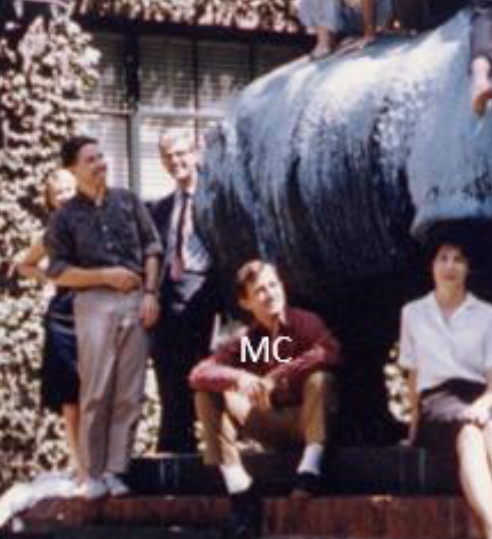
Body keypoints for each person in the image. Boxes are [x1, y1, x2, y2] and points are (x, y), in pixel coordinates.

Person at [398, 240, 492, 539]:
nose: (450, 266)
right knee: (469, 434)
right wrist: (413, 426)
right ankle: (491, 524)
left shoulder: (488, 315)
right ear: (432, 266)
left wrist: (484, 404)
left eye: (459, 260)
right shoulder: (412, 313)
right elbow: (413, 375)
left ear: (468, 268)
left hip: (482, 394)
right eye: (443, 258)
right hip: (437, 399)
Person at [45, 135, 163, 500]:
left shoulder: (128, 201)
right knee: (96, 390)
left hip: (135, 300)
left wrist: (151, 293)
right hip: (93, 303)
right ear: (72, 168)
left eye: (100, 156)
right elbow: (58, 271)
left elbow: (152, 248)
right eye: (90, 159)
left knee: (130, 392)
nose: (100, 164)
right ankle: (92, 473)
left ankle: (115, 470)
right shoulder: (64, 217)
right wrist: (104, 276)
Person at [190, 260, 341, 499]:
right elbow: (199, 374)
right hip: (267, 418)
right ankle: (238, 485)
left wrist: (276, 378)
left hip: (306, 419)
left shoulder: (305, 322)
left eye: (274, 285)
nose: (270, 294)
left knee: (321, 379)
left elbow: (329, 352)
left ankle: (309, 472)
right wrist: (239, 377)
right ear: (245, 302)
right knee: (206, 394)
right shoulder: (248, 340)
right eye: (260, 290)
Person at [148, 129, 223, 454]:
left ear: (195, 154)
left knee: (200, 370)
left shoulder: (216, 200)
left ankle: (208, 445)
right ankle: (176, 446)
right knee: (168, 372)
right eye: (168, 156)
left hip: (205, 292)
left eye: (180, 153)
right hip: (168, 296)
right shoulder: (160, 208)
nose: (175, 161)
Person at [9, 167, 82, 477]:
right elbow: (23, 265)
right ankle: (80, 465)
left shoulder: (95, 223)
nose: (64, 196)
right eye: (58, 193)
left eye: (68, 189)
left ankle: (100, 464)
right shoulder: (51, 233)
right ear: (51, 201)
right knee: (71, 397)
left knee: (98, 392)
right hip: (64, 316)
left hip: (95, 312)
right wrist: (50, 276)